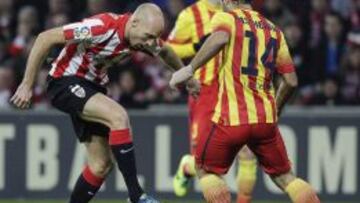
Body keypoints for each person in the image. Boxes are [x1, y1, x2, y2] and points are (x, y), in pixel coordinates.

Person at [11, 3, 184, 203]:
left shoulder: (141, 36)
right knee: (118, 116)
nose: (151, 43)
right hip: (65, 81)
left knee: (100, 165)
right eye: (149, 37)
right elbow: (45, 38)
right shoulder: (101, 27)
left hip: (92, 87)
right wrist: (26, 84)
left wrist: (184, 75)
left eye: (154, 37)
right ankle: (136, 195)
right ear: (134, 23)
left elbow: (166, 51)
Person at [169, 0, 321, 202]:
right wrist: (275, 111)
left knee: (206, 170)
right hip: (264, 119)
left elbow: (220, 38)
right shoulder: (274, 29)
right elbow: (291, 81)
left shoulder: (226, 18)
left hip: (231, 117)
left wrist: (189, 69)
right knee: (286, 177)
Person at [167, 0, 257, 202]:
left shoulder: (240, 11)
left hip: (236, 91)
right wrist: (195, 45)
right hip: (205, 92)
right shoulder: (190, 15)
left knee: (247, 153)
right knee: (207, 165)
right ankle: (187, 167)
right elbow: (168, 48)